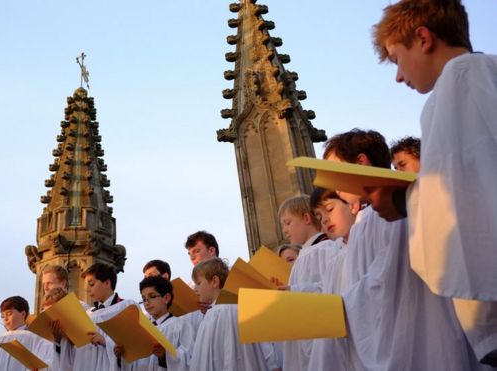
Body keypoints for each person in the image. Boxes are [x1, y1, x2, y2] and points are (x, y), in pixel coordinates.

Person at [370, 0, 497, 365]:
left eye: (396, 59)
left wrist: (402, 200)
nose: (398, 76)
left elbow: (474, 182)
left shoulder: (463, 78)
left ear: (423, 38)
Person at [308, 128, 477, 370]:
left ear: (361, 162)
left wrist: (339, 308)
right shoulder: (367, 221)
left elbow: (387, 282)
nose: (333, 184)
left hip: (420, 337)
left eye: (335, 171)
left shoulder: (390, 213)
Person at [189, 257, 278, 370]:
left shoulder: (219, 313)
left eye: (198, 283)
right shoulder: (239, 308)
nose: (195, 289)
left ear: (214, 281)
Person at [116, 276, 194, 371]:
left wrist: (165, 356)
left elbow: (189, 358)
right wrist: (122, 356)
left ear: (166, 298)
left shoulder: (180, 325)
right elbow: (135, 363)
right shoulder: (141, 329)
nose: (147, 303)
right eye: (144, 299)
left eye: (152, 296)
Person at [72, 262, 135, 371]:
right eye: (87, 285)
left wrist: (106, 341)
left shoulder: (126, 307)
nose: (87, 289)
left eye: (92, 284)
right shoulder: (89, 313)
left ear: (107, 283)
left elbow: (134, 343)